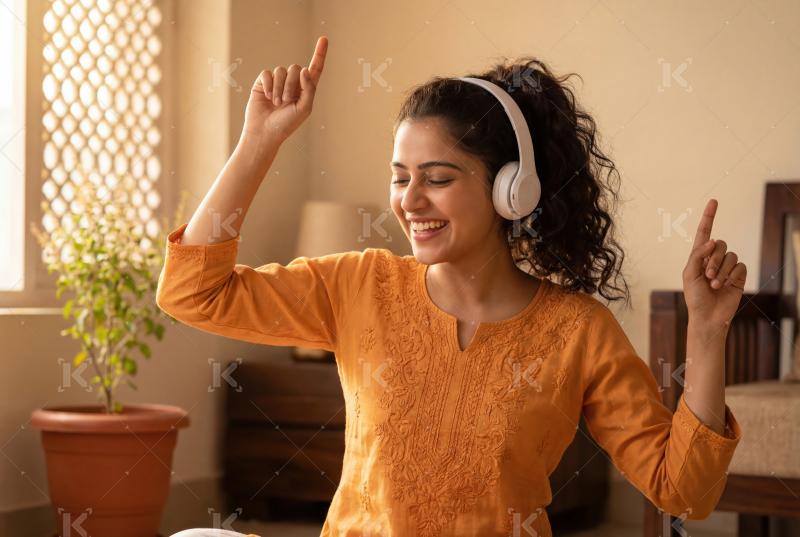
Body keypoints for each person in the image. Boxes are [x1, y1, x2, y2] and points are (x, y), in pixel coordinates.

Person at [157, 36, 745, 537]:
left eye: (437, 179)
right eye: (400, 178)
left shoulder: (578, 331)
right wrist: (259, 141)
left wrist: (708, 332)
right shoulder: (361, 284)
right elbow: (191, 294)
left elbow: (684, 493)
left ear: (510, 191)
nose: (411, 201)